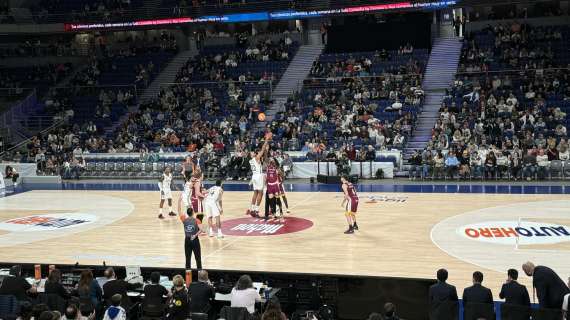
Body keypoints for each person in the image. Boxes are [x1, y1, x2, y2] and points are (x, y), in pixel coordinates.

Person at [247, 139, 270, 217]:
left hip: (254, 176)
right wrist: (266, 141)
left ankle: (252, 209)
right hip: (258, 176)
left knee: (255, 193)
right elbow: (263, 149)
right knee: (261, 193)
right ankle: (256, 210)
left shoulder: (250, 160)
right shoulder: (256, 158)